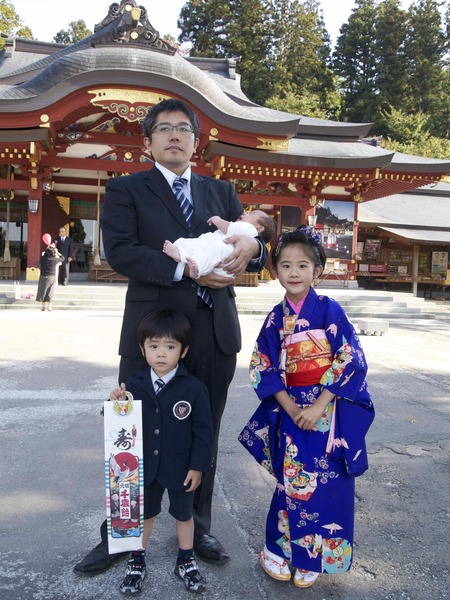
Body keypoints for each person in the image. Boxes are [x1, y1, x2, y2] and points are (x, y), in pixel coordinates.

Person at [73, 98, 267, 576]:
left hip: (214, 334)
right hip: (151, 336)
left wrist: (254, 245)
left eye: (184, 129)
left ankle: (197, 525)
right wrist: (187, 268)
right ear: (148, 142)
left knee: (204, 432)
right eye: (164, 129)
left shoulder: (221, 191)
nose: (174, 136)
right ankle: (119, 535)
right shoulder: (125, 190)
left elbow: (253, 248)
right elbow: (120, 251)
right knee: (132, 433)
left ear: (196, 142)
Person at [239, 226, 374, 589]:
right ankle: (279, 549)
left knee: (327, 484)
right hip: (290, 412)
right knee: (291, 482)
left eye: (302, 265)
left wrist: (318, 405)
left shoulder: (330, 309)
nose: (294, 273)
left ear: (318, 270)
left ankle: (313, 556)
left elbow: (350, 357)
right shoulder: (274, 317)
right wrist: (287, 405)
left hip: (326, 412)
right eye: (285, 265)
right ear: (275, 271)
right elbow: (261, 365)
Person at [111, 309, 213, 596]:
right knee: (145, 514)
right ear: (142, 348)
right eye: (153, 346)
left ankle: (186, 558)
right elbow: (116, 424)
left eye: (170, 346)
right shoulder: (132, 385)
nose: (161, 354)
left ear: (184, 351)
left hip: (181, 468)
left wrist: (198, 466)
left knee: (183, 514)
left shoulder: (194, 388)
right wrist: (114, 402)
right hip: (142, 468)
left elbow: (204, 431)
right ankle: (136, 559)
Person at [163, 210, 276, 279]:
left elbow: (229, 228)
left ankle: (197, 269)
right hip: (221, 264)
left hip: (224, 255)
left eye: (252, 214)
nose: (245, 213)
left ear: (259, 228)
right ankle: (181, 254)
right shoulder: (246, 226)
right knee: (196, 243)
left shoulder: (249, 229)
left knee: (214, 249)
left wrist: (217, 220)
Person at [35, 243, 64, 311]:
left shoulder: (42, 258)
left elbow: (37, 264)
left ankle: (43, 306)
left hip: (43, 277)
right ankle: (50, 307)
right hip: (52, 277)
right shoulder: (54, 260)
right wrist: (57, 252)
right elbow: (63, 258)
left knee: (42, 291)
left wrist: (41, 268)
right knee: (50, 292)